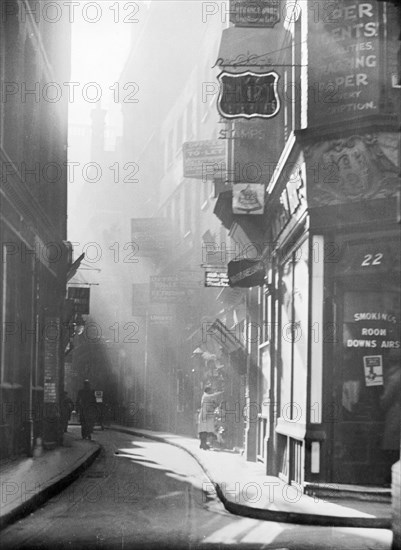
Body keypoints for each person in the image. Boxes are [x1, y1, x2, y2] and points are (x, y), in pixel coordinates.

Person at [197, 386, 223, 450]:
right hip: (204, 415)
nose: (211, 392)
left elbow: (213, 402)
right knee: (203, 431)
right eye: (211, 391)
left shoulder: (207, 397)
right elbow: (212, 396)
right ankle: (203, 444)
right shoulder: (206, 396)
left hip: (207, 415)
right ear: (208, 391)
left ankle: (203, 444)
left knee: (205, 431)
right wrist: (220, 393)